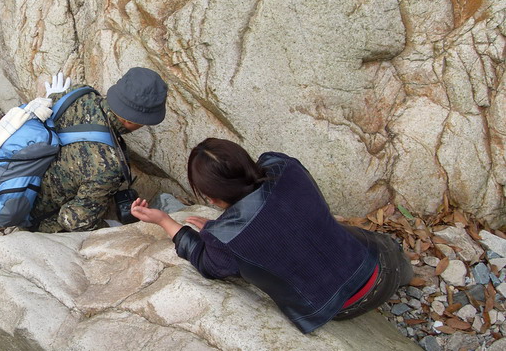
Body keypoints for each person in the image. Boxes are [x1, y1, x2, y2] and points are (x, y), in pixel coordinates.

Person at [130, 138, 413, 333]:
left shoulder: (225, 238)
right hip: (379, 265)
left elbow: (206, 262)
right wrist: (222, 229)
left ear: (213, 199)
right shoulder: (282, 165)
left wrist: (165, 220)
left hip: (339, 307)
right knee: (351, 236)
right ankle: (406, 277)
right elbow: (278, 218)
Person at [31, 67, 168, 233]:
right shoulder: (107, 166)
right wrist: (111, 227)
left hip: (26, 181)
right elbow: (71, 220)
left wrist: (55, 96)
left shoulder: (79, 93)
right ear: (132, 121)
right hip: (37, 218)